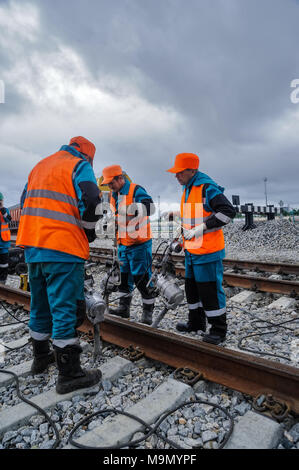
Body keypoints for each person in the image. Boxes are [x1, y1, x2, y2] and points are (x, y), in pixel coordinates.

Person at [16, 136, 102, 394]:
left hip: (34, 247)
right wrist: (87, 232)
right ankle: (69, 374)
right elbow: (92, 199)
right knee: (64, 308)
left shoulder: (39, 167)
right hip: (62, 248)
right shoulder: (79, 164)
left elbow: (23, 203)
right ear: (86, 155)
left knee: (40, 304)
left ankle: (41, 358)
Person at [167, 153, 236, 345]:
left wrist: (201, 229)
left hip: (207, 251)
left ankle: (218, 330)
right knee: (192, 289)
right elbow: (195, 214)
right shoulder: (189, 188)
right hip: (192, 251)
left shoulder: (207, 187)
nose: (176, 176)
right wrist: (177, 215)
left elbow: (228, 212)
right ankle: (196, 322)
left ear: (192, 170)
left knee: (210, 291)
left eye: (180, 172)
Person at [101, 165, 156, 325]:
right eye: (108, 185)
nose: (110, 187)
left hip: (139, 243)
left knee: (142, 279)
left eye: (111, 183)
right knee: (124, 279)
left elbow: (150, 207)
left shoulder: (135, 189)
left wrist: (128, 212)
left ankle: (148, 313)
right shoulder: (114, 194)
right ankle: (124, 309)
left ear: (120, 178)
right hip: (123, 244)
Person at [0, 192, 11, 284]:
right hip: (3, 242)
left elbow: (9, 219)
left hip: (3, 242)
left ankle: (3, 281)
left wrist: (2, 210)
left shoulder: (5, 210)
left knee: (4, 264)